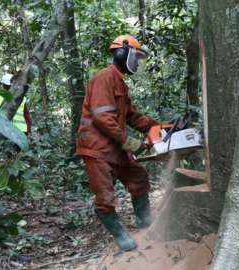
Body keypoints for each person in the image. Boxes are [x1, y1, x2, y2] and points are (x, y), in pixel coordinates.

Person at [76, 35, 160, 251]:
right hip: (97, 148)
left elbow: (132, 116)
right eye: (137, 57)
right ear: (123, 54)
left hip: (114, 146)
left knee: (138, 176)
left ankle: (145, 221)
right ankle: (120, 235)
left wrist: (157, 127)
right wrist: (132, 143)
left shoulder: (120, 82)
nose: (138, 63)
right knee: (105, 195)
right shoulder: (104, 78)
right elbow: (102, 118)